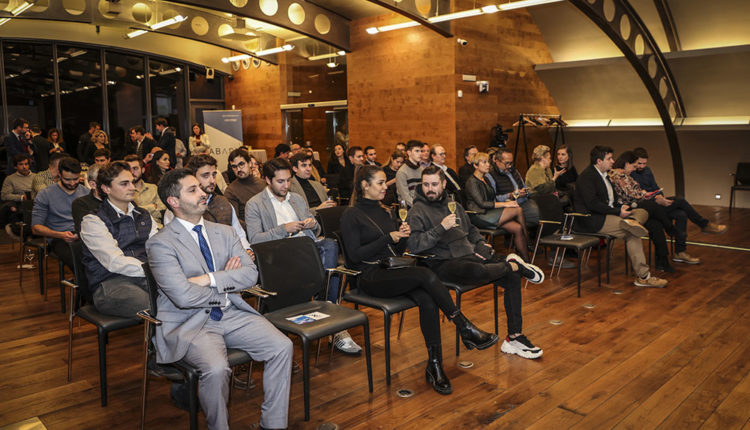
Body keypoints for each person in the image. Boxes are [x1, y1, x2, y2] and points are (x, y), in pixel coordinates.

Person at [147, 169, 292, 430]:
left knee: (282, 346)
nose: (203, 193)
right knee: (216, 370)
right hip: (190, 322)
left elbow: (250, 274)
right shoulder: (161, 243)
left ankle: (272, 424)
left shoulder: (224, 232)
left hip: (232, 313)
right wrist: (226, 280)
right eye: (192, 190)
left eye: (200, 188)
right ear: (173, 201)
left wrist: (210, 278)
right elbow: (182, 296)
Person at [340, 165, 498, 395]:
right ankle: (464, 326)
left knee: (428, 299)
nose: (386, 187)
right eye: (381, 183)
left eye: (385, 183)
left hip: (390, 269)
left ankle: (435, 365)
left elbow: (398, 250)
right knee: (425, 274)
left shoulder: (385, 211)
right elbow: (354, 256)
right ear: (365, 185)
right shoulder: (351, 215)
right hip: (368, 275)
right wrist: (388, 237)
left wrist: (402, 237)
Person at [408, 166, 545, 359]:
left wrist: (481, 244)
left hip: (469, 255)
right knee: (482, 271)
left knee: (512, 277)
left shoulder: (453, 204)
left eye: (434, 184)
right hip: (441, 263)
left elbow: (471, 230)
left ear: (444, 184)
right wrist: (441, 228)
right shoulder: (417, 211)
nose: (430, 189)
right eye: (426, 185)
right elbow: (414, 245)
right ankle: (514, 264)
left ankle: (514, 338)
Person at [245, 158, 361, 354]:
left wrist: (312, 224)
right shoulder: (255, 204)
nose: (286, 185)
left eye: (288, 180)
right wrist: (284, 229)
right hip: (279, 254)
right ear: (268, 180)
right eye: (280, 181)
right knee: (322, 254)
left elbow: (316, 231)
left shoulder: (297, 198)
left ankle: (328, 302)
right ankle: (332, 315)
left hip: (306, 249)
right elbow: (255, 239)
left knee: (330, 244)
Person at [574, 146, 668, 288]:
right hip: (594, 219)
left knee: (643, 211)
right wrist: (617, 212)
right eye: (609, 158)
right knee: (633, 233)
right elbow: (593, 204)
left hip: (609, 214)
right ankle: (644, 277)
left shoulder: (605, 175)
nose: (613, 161)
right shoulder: (587, 177)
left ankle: (632, 222)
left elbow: (612, 201)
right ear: (599, 161)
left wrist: (621, 208)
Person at [80, 161, 157, 318]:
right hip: (111, 283)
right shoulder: (93, 221)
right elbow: (114, 261)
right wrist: (155, 270)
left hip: (147, 276)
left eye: (132, 182)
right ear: (106, 188)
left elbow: (158, 248)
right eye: (124, 184)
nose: (132, 187)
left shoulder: (144, 215)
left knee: (181, 297)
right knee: (158, 306)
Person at [630, 147, 726, 264]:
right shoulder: (630, 173)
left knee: (681, 214)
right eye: (639, 163)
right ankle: (704, 224)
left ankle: (680, 252)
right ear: (633, 161)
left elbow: (656, 188)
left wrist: (660, 197)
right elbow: (637, 196)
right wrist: (656, 199)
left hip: (657, 203)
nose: (642, 166)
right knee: (680, 200)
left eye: (644, 163)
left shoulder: (647, 170)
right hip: (648, 208)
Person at [163, 154, 251, 251]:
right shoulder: (178, 207)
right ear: (193, 177)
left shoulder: (224, 202)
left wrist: (247, 249)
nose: (212, 180)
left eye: (214, 175)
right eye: (205, 176)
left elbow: (239, 233)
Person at [609, 151, 679, 273]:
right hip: (626, 209)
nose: (635, 169)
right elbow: (630, 195)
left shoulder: (627, 175)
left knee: (656, 225)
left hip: (637, 206)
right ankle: (669, 227)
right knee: (652, 204)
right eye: (633, 166)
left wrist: (644, 194)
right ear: (626, 163)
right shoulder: (617, 175)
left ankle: (663, 261)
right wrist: (644, 195)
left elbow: (635, 192)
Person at [465, 152, 531, 261]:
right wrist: (505, 204)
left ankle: (526, 261)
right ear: (475, 165)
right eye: (484, 162)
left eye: (488, 162)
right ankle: (528, 242)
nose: (488, 165)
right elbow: (482, 203)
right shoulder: (472, 182)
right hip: (479, 215)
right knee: (517, 210)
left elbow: (492, 198)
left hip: (489, 212)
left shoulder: (484, 179)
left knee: (517, 228)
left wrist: (506, 201)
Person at [31, 157, 89, 270]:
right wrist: (60, 235)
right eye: (67, 179)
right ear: (59, 174)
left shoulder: (86, 192)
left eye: (76, 179)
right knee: (79, 261)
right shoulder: (45, 194)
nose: (72, 183)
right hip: (59, 238)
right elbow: (36, 228)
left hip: (84, 235)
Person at [487, 149, 540, 227]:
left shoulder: (514, 171)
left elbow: (525, 188)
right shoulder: (490, 175)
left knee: (542, 212)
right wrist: (511, 195)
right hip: (507, 207)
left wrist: (525, 192)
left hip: (523, 202)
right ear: (497, 161)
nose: (509, 166)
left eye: (511, 163)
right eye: (506, 163)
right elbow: (494, 199)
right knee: (535, 216)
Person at [224, 148, 266, 225]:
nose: (238, 169)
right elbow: (235, 221)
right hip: (249, 229)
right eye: (234, 166)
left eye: (241, 164)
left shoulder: (264, 184)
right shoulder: (230, 191)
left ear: (250, 163)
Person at [124, 155, 165, 225]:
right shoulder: (122, 191)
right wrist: (152, 207)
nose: (132, 172)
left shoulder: (153, 188)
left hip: (156, 227)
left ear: (143, 170)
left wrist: (136, 209)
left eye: (135, 168)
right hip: (133, 228)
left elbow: (162, 211)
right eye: (128, 169)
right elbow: (126, 213)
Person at [0, 154, 35, 231]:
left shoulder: (37, 177)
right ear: (15, 167)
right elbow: (4, 195)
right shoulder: (10, 179)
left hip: (37, 201)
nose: (24, 167)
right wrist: (21, 197)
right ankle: (26, 233)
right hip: (21, 204)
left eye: (26, 164)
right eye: (21, 164)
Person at [72, 164, 103, 233]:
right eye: (105, 182)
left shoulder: (116, 199)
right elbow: (89, 232)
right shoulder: (81, 204)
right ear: (93, 184)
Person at [395, 140, 424, 207]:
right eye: (417, 151)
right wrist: (420, 208)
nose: (420, 154)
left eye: (421, 151)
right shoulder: (402, 172)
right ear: (409, 153)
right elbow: (405, 197)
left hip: (421, 205)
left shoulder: (422, 170)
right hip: (408, 207)